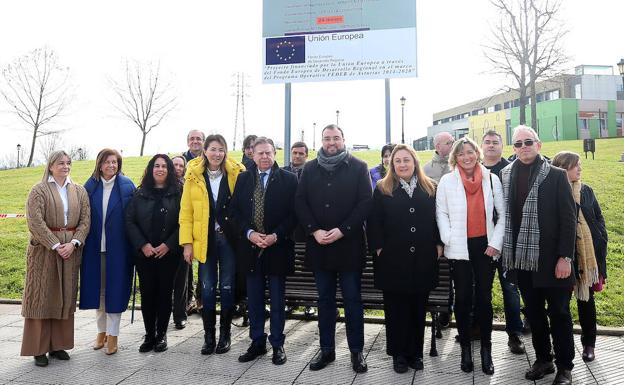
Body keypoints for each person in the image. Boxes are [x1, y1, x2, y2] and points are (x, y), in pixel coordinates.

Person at [500, 126, 576, 385]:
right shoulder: (506, 175)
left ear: (539, 144)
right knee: (534, 313)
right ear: (513, 148)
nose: (524, 146)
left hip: (554, 260)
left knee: (560, 313)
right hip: (523, 261)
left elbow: (569, 219)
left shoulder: (556, 175)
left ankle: (565, 366)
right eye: (518, 143)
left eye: (528, 141)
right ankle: (544, 359)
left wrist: (565, 257)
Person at [295, 124, 372, 373]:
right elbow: (300, 201)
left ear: (343, 139)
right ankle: (326, 349)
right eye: (327, 139)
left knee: (352, 301)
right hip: (320, 246)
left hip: (348, 246)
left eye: (335, 138)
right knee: (325, 301)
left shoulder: (359, 167)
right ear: (321, 141)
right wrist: (314, 230)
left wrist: (343, 230)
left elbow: (365, 203)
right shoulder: (309, 168)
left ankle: (356, 352)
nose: (331, 143)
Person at [367, 144, 441, 373]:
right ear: (392, 164)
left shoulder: (430, 187)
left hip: (422, 259)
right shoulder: (382, 188)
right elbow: (374, 222)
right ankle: (398, 354)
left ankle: (415, 354)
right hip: (392, 261)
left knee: (418, 308)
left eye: (406, 160)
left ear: (415, 161)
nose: (402, 164)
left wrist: (438, 245)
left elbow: (437, 219)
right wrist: (379, 249)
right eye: (397, 161)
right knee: (396, 309)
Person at [436, 136, 505, 375]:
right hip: (458, 247)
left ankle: (486, 349)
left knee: (484, 299)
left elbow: (503, 215)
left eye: (471, 152)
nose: (467, 157)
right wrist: (448, 238)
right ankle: (466, 348)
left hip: (485, 246)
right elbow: (441, 213)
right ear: (455, 157)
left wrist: (496, 242)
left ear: (477, 154)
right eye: (462, 154)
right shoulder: (447, 181)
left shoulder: (492, 179)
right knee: (463, 297)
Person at [230, 137, 298, 365]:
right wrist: (250, 233)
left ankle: (277, 343)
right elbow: (235, 213)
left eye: (268, 152)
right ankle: (257, 342)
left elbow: (294, 215)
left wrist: (275, 236)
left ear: (275, 153)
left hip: (277, 247)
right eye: (260, 153)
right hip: (251, 248)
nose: (265, 157)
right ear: (252, 154)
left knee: (277, 301)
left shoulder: (289, 180)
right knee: (255, 299)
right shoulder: (243, 179)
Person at [20, 150, 90, 367]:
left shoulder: (79, 190)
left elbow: (86, 220)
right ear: (50, 166)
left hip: (70, 249)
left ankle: (58, 345)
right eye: (61, 163)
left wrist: (74, 243)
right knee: (42, 296)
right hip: (45, 250)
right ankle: (38, 349)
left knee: (65, 295)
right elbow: (35, 222)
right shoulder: (38, 190)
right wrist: (56, 244)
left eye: (68, 163)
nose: (65, 166)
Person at [179, 134, 245, 355]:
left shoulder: (236, 172)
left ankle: (225, 336)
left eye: (221, 149)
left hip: (229, 240)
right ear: (205, 151)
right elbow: (186, 212)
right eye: (213, 149)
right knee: (207, 288)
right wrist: (187, 243)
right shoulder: (193, 175)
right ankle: (208, 337)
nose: (217, 154)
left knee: (227, 286)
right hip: (204, 240)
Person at [551, 151, 608, 363]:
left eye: (580, 165)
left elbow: (598, 216)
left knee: (586, 301)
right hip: (563, 257)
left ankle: (589, 344)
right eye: (575, 165)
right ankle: (561, 346)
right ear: (563, 168)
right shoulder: (553, 190)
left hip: (587, 255)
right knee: (560, 305)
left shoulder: (586, 191)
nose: (579, 169)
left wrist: (601, 236)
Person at [80, 149, 135, 355]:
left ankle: (113, 335)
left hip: (118, 249)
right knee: (99, 292)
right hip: (94, 248)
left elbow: (132, 218)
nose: (111, 165)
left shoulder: (127, 186)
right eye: (107, 162)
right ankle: (101, 332)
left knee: (115, 292)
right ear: (99, 164)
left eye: (115, 162)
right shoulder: (89, 186)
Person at [125, 154, 181, 353]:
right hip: (145, 255)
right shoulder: (140, 194)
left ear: (169, 170)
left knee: (165, 294)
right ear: (150, 169)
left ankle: (161, 335)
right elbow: (130, 221)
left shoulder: (178, 192)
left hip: (169, 254)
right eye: (156, 166)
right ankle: (149, 335)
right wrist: (143, 245)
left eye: (164, 166)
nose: (160, 169)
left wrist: (169, 244)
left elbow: (184, 221)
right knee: (148, 295)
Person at [481, 130, 526, 354]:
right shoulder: (473, 169)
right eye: (487, 142)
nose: (491, 146)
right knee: (480, 288)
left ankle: (515, 334)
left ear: (502, 145)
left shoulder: (512, 170)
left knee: (510, 289)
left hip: (508, 241)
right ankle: (477, 329)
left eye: (495, 142)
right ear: (482, 146)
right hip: (481, 240)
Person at [181, 131, 205, 314]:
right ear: (188, 142)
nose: (195, 142)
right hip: (186, 220)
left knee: (205, 265)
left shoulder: (210, 160)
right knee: (186, 265)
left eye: (199, 139)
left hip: (203, 221)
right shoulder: (182, 161)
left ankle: (201, 299)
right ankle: (187, 300)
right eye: (192, 139)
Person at [170, 155, 190, 329]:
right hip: (164, 241)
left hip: (182, 238)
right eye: (174, 164)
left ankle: (180, 314)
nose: (177, 167)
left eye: (180, 165)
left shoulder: (186, 186)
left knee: (181, 281)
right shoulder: (161, 185)